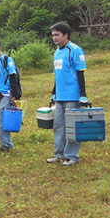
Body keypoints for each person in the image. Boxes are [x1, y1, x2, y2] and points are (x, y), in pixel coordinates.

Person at [48, 22, 88, 166]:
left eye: (57, 35)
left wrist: (83, 94)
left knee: (72, 127)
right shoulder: (57, 52)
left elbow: (80, 73)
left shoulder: (75, 50)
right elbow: (57, 75)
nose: (54, 38)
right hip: (60, 96)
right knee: (58, 126)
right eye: (53, 35)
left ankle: (72, 156)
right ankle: (59, 154)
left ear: (66, 35)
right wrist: (53, 93)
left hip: (72, 95)